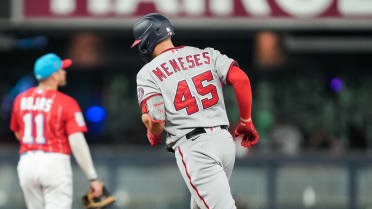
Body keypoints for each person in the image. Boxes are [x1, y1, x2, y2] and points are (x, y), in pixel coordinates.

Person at [132, 13, 259, 209]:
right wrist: (246, 121)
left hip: (196, 148)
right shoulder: (206, 53)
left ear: (146, 42)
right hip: (224, 142)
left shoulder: (148, 72)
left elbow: (156, 121)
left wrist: (152, 131)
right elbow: (241, 79)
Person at [10, 53, 103, 209]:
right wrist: (92, 177)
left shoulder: (21, 99)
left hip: (27, 162)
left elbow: (18, 133)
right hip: (54, 162)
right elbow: (77, 143)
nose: (64, 72)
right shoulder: (66, 102)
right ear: (53, 75)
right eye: (61, 70)